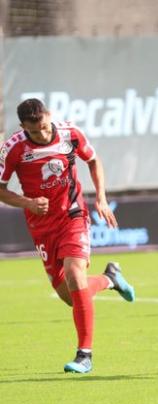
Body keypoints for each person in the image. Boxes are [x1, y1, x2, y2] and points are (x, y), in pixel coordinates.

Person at [0, 98, 136, 374]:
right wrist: (27, 202)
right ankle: (110, 279)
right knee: (72, 296)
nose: (42, 134)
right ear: (23, 127)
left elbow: (93, 160)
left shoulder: (70, 133)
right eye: (35, 131)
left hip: (73, 214)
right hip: (41, 226)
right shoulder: (13, 148)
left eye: (45, 127)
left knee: (75, 274)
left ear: (49, 116)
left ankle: (84, 355)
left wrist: (101, 198)